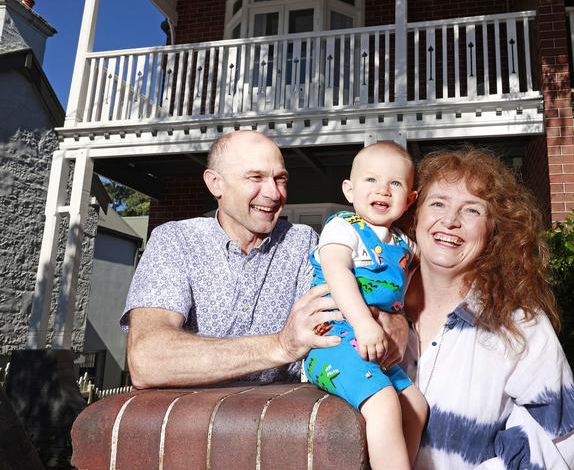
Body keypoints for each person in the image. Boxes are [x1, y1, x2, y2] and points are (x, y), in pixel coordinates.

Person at [121, 130, 407, 389]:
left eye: (280, 178)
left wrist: (395, 320)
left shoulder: (303, 241)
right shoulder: (176, 240)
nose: (273, 193)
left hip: (285, 424)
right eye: (255, 177)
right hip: (189, 428)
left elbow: (352, 303)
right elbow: (147, 359)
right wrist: (281, 345)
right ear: (215, 183)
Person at [402, 147, 574, 469]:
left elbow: (563, 444)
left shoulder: (519, 325)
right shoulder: (366, 305)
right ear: (414, 214)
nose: (450, 221)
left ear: (494, 231)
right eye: (438, 203)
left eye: (472, 210)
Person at [305, 142, 428, 470]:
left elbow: (420, 275)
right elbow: (336, 271)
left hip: (373, 346)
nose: (383, 190)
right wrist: (363, 322)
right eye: (371, 180)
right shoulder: (343, 228)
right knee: (384, 402)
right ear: (349, 189)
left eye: (395, 183)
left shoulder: (403, 243)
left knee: (416, 404)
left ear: (410, 200)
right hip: (334, 342)